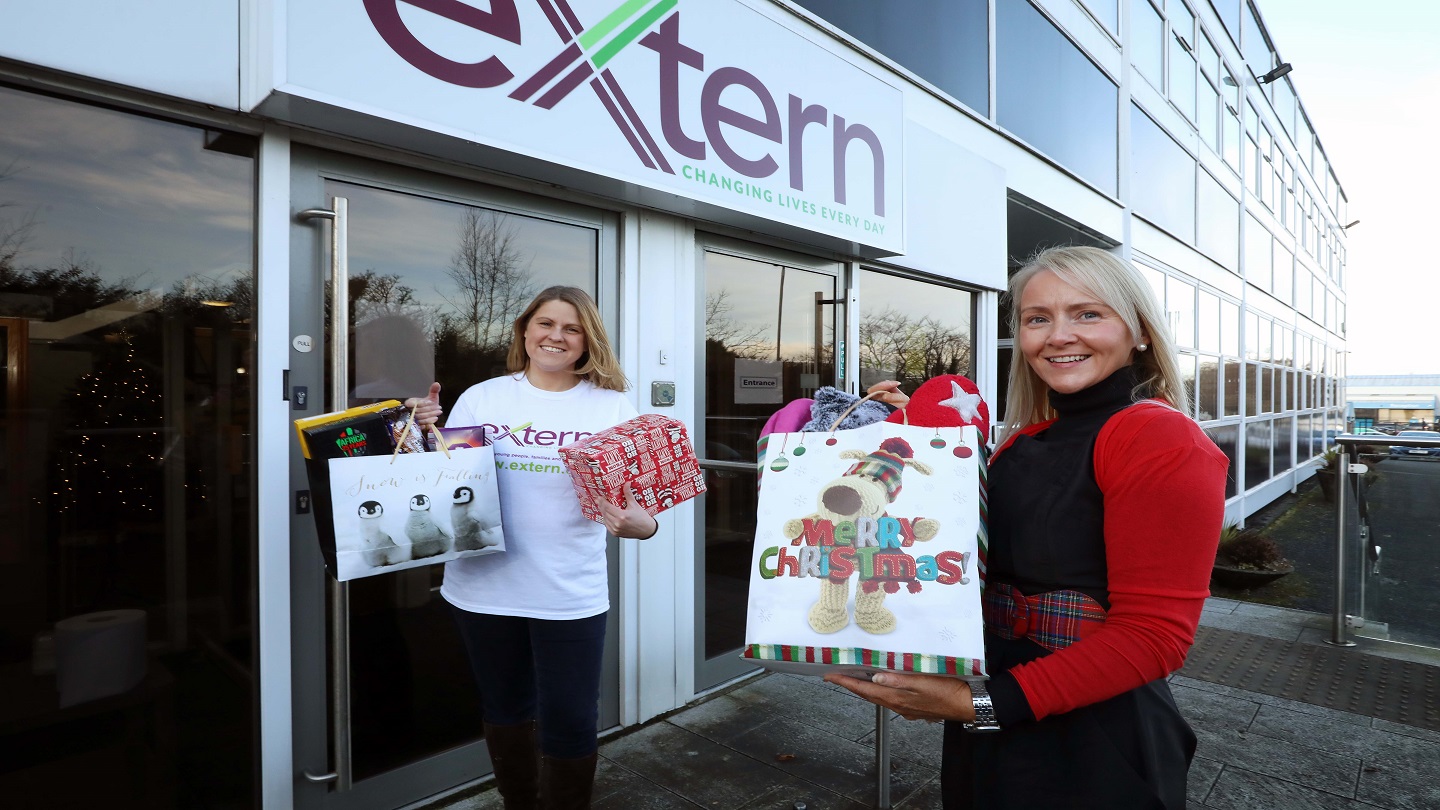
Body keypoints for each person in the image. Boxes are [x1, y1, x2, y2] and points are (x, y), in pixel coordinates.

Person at [827, 246, 1228, 809]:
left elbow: (1154, 637)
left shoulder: (1159, 439)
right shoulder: (1022, 441)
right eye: (1038, 319)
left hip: (1093, 736)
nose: (1058, 335)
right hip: (988, 712)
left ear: (1139, 330)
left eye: (1088, 314)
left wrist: (980, 706)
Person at [407, 286, 657, 810]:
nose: (555, 337)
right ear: (525, 330)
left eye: (570, 328)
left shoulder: (612, 407)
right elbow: (447, 483)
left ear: (588, 340)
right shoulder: (484, 397)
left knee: (570, 719)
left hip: (568, 591)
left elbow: (641, 505)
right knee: (505, 707)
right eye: (545, 324)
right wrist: (420, 433)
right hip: (482, 587)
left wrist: (643, 527)